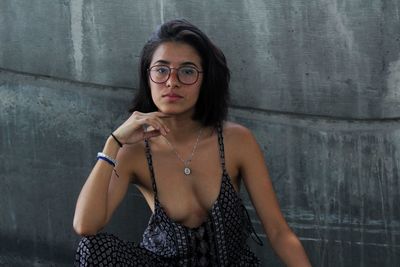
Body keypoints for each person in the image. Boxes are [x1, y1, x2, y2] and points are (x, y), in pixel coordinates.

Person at [73, 19, 311, 266]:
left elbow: (278, 232)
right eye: (161, 69)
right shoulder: (133, 152)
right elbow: (85, 226)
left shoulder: (237, 141)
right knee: (93, 249)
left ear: (205, 80)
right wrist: (113, 143)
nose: (171, 81)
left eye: (187, 71)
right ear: (148, 76)